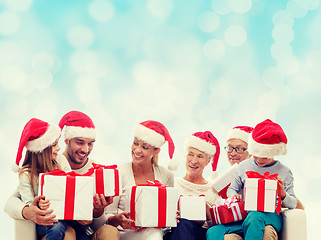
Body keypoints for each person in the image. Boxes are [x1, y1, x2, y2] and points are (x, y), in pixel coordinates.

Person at [5, 111, 119, 240]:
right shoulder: (33, 171)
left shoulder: (96, 172)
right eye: (80, 142)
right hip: (53, 224)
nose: (86, 150)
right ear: (67, 141)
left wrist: (95, 212)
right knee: (65, 232)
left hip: (77, 225)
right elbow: (11, 202)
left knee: (96, 233)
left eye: (90, 143)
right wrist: (29, 210)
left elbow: (96, 222)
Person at [207, 119, 298, 240]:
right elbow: (231, 189)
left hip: (271, 216)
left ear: (274, 152)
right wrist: (234, 196)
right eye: (256, 154)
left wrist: (283, 195)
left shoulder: (285, 171)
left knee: (255, 216)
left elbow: (293, 204)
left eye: (265, 156)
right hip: (245, 215)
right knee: (213, 231)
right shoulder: (244, 166)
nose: (259, 159)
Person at [97, 120, 175, 240]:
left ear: (156, 151)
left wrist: (171, 216)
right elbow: (107, 218)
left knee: (154, 232)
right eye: (135, 143)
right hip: (122, 233)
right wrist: (117, 219)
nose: (137, 150)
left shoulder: (166, 175)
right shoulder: (119, 173)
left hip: (152, 233)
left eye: (144, 147)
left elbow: (168, 221)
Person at [15, 118, 77, 240]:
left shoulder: (60, 161)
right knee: (56, 226)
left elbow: (72, 184)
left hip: (65, 215)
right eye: (54, 145)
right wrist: (38, 204)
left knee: (83, 236)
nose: (59, 148)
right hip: (45, 220)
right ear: (41, 150)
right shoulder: (26, 174)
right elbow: (29, 203)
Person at [163, 131, 221, 240]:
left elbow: (217, 227)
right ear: (185, 155)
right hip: (173, 233)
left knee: (185, 224)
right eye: (190, 154)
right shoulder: (172, 184)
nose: (194, 161)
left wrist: (206, 209)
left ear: (208, 161)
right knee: (182, 224)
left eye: (200, 156)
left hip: (199, 235)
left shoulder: (213, 190)